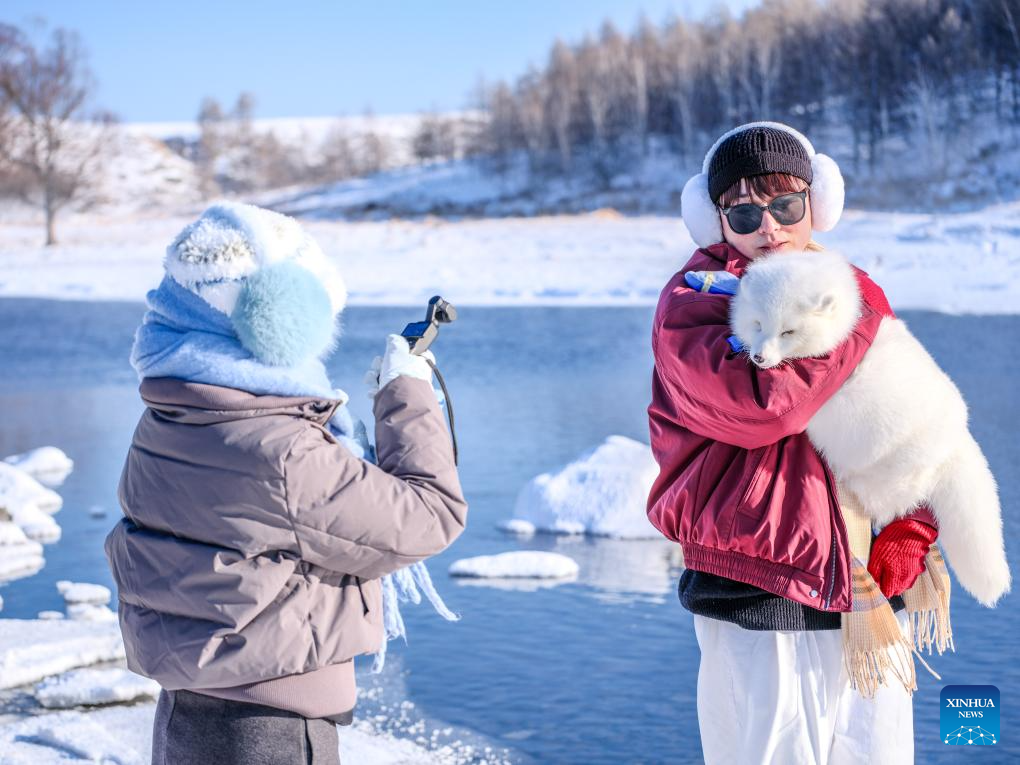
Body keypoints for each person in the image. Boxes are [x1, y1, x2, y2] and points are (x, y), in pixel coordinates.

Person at [105, 202, 467, 765]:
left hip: (186, 716)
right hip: (269, 734)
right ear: (276, 316)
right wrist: (407, 392)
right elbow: (429, 517)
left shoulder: (168, 418)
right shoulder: (283, 449)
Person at [647, 122, 948, 764]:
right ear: (715, 218)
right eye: (744, 211)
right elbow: (765, 406)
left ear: (817, 204)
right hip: (756, 588)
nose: (769, 228)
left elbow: (908, 414)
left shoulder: (844, 288)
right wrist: (857, 318)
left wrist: (915, 522)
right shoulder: (692, 304)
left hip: (863, 583)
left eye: (785, 205)